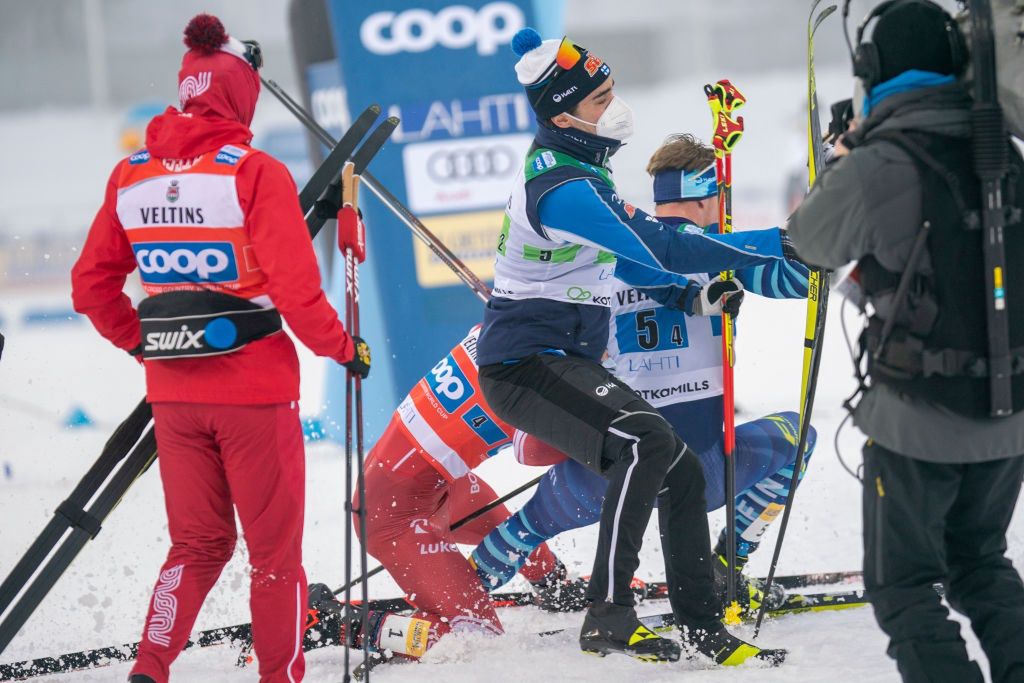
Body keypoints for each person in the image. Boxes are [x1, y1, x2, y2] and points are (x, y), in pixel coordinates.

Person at [476, 28, 795, 665]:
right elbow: (665, 246)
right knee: (646, 443)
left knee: (674, 464)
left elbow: (626, 261)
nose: (615, 106)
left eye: (612, 90)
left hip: (559, 359)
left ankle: (701, 625)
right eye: (600, 100)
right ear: (564, 114)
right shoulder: (563, 188)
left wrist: (686, 298)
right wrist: (782, 244)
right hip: (523, 366)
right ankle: (609, 617)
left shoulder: (582, 169)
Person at [70, 15, 369, 683]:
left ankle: (149, 667)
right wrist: (345, 348)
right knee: (274, 557)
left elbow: (90, 286)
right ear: (240, 97)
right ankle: (280, 675)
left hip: (175, 395)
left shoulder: (131, 175)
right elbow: (296, 290)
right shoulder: (252, 172)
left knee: (196, 543)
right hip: (255, 394)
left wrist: (149, 346)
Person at [787, 2, 1024, 681]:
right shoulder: (1002, 152)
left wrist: (843, 158)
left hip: (920, 418)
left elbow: (809, 242)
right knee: (980, 563)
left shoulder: (881, 161)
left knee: (904, 585)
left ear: (871, 71)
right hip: (1008, 415)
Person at [343, 325, 576, 664]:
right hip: (391, 515)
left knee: (518, 536)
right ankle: (344, 622)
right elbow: (535, 453)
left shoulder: (502, 326)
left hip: (441, 484)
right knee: (476, 637)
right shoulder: (535, 375)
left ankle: (554, 586)